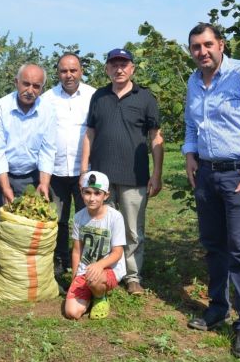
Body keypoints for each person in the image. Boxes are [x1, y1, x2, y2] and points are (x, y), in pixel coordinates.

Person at [182, 23, 240, 360]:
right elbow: (192, 125)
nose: (202, 52)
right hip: (206, 174)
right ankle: (218, 307)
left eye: (207, 44)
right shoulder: (194, 81)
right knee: (213, 245)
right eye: (195, 47)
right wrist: (190, 155)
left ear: (221, 44)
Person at [80, 48, 163, 296]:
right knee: (104, 228)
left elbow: (155, 136)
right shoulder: (99, 96)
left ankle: (133, 276)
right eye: (114, 65)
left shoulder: (145, 98)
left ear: (132, 68)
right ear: (106, 69)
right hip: (101, 178)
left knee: (132, 229)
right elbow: (90, 132)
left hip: (134, 176)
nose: (119, 69)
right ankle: (109, 273)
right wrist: (85, 168)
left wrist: (156, 173)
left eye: (124, 64)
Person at [41, 53, 95, 275]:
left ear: (81, 71)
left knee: (87, 218)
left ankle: (86, 260)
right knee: (57, 219)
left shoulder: (94, 96)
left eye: (73, 70)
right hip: (56, 171)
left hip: (86, 171)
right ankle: (60, 260)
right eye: (64, 71)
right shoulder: (47, 98)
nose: (69, 75)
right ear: (58, 73)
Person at [0, 63, 56, 226]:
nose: (30, 91)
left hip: (29, 174)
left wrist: (44, 183)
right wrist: (6, 188)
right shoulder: (0, 108)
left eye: (36, 86)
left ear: (42, 89)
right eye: (26, 84)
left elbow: (47, 150)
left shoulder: (48, 111)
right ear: (16, 82)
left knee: (28, 221)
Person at [64, 171, 125, 320]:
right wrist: (74, 278)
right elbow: (77, 251)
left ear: (106, 195)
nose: (92, 198)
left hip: (107, 268)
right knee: (72, 313)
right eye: (88, 193)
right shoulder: (79, 217)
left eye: (97, 193)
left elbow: (117, 252)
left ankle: (100, 296)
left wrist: (99, 265)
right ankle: (90, 293)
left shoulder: (115, 217)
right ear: (82, 192)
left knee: (94, 278)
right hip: (85, 269)